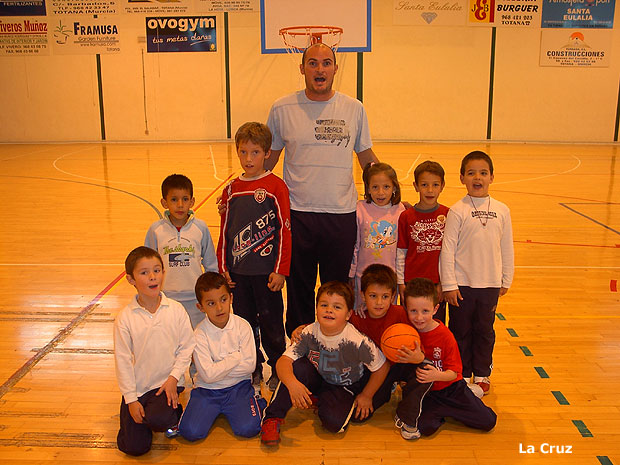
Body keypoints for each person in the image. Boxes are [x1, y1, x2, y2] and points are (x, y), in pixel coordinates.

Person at [265, 42, 379, 336]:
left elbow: (366, 157)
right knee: (299, 289)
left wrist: (390, 193)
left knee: (337, 290)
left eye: (326, 63)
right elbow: (269, 162)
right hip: (297, 213)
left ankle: (337, 347)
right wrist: (239, 194)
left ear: (335, 69)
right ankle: (299, 349)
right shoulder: (281, 108)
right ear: (302, 68)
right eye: (313, 63)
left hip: (340, 215)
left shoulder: (354, 108)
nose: (320, 69)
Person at [260, 281, 389, 447]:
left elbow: (382, 367)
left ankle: (316, 399)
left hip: (344, 385)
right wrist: (293, 385)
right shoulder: (308, 332)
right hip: (318, 376)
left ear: (348, 314)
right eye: (324, 305)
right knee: (296, 368)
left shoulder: (357, 341)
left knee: (334, 423)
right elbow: (283, 362)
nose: (329, 310)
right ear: (316, 309)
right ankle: (272, 418)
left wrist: (366, 395)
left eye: (337, 307)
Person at [217, 122, 291, 392]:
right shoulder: (231, 190)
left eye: (255, 152)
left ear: (267, 153)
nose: (249, 159)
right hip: (239, 275)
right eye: (243, 152)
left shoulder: (275, 187)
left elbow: (285, 230)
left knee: (272, 323)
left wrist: (281, 269)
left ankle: (278, 367)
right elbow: (224, 231)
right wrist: (224, 267)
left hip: (267, 273)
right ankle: (253, 367)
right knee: (244, 324)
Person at [439, 151, 514, 395]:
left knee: (484, 331)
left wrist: (506, 278)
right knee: (460, 331)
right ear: (462, 178)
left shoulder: (502, 210)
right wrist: (449, 284)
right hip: (462, 285)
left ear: (492, 177)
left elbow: (507, 246)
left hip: (490, 284)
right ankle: (460, 373)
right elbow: (447, 249)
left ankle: (482, 373)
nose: (477, 177)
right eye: (471, 173)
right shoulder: (457, 211)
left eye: (483, 172)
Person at [113, 246, 195, 456]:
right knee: (135, 448)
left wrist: (173, 378)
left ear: (163, 273)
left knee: (159, 419)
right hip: (139, 389)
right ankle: (137, 421)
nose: (152, 277)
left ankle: (172, 413)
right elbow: (122, 361)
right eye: (144, 272)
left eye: (157, 270)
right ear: (131, 279)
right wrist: (131, 399)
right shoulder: (125, 318)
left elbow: (187, 347)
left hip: (166, 385)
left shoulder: (176, 310)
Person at [171, 272, 266, 441]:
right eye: (211, 303)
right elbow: (207, 376)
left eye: (223, 300)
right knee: (190, 432)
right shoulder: (199, 334)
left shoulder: (243, 326)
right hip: (207, 391)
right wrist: (236, 357)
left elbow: (250, 367)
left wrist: (217, 368)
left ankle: (254, 399)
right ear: (201, 307)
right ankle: (211, 409)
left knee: (249, 428)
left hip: (239, 387)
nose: (219, 308)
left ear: (231, 298)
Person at [401, 278, 497, 437]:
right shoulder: (406, 332)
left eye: (425, 311)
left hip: (451, 388)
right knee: (424, 428)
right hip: (429, 393)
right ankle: (444, 411)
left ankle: (467, 396)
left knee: (488, 421)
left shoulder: (445, 336)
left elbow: (454, 373)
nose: (419, 317)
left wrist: (436, 375)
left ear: (435, 308)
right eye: (413, 311)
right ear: (406, 308)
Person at [349, 264, 433, 440]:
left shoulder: (401, 313)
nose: (379, 302)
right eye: (373, 296)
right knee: (358, 417)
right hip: (378, 372)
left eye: (385, 296)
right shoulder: (357, 319)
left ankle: (406, 414)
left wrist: (419, 357)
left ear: (393, 297)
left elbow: (418, 344)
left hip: (402, 362)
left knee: (425, 369)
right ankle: (388, 390)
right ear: (363, 295)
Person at [145, 174, 218, 329]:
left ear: (192, 201)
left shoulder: (201, 228)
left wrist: (209, 293)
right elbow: (147, 265)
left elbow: (211, 264)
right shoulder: (155, 230)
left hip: (195, 300)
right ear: (164, 202)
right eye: (174, 199)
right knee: (169, 341)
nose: (180, 205)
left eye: (185, 199)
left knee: (195, 342)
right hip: (165, 299)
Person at [349, 163, 405, 315]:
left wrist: (401, 278)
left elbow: (402, 249)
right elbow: (355, 244)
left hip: (390, 278)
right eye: (375, 187)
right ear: (368, 189)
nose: (381, 192)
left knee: (385, 315)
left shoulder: (400, 210)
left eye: (386, 187)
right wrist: (352, 273)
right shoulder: (360, 209)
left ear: (394, 188)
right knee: (362, 315)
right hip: (363, 276)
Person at [396, 160, 449, 321]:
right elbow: (401, 252)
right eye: (424, 185)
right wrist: (401, 284)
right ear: (416, 186)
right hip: (411, 284)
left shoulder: (448, 214)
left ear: (442, 186)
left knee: (435, 325)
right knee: (409, 327)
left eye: (435, 185)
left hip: (436, 284)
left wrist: (444, 283)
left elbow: (450, 254)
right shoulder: (406, 216)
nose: (430, 190)